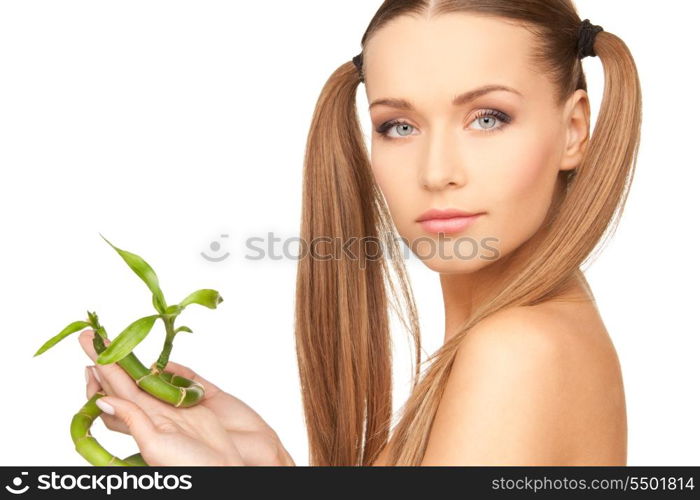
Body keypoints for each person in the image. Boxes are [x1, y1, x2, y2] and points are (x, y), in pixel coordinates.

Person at [81, 0, 641, 466]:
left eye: (487, 117)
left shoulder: (517, 352)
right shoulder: (525, 337)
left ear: (573, 131)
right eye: (399, 126)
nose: (435, 171)